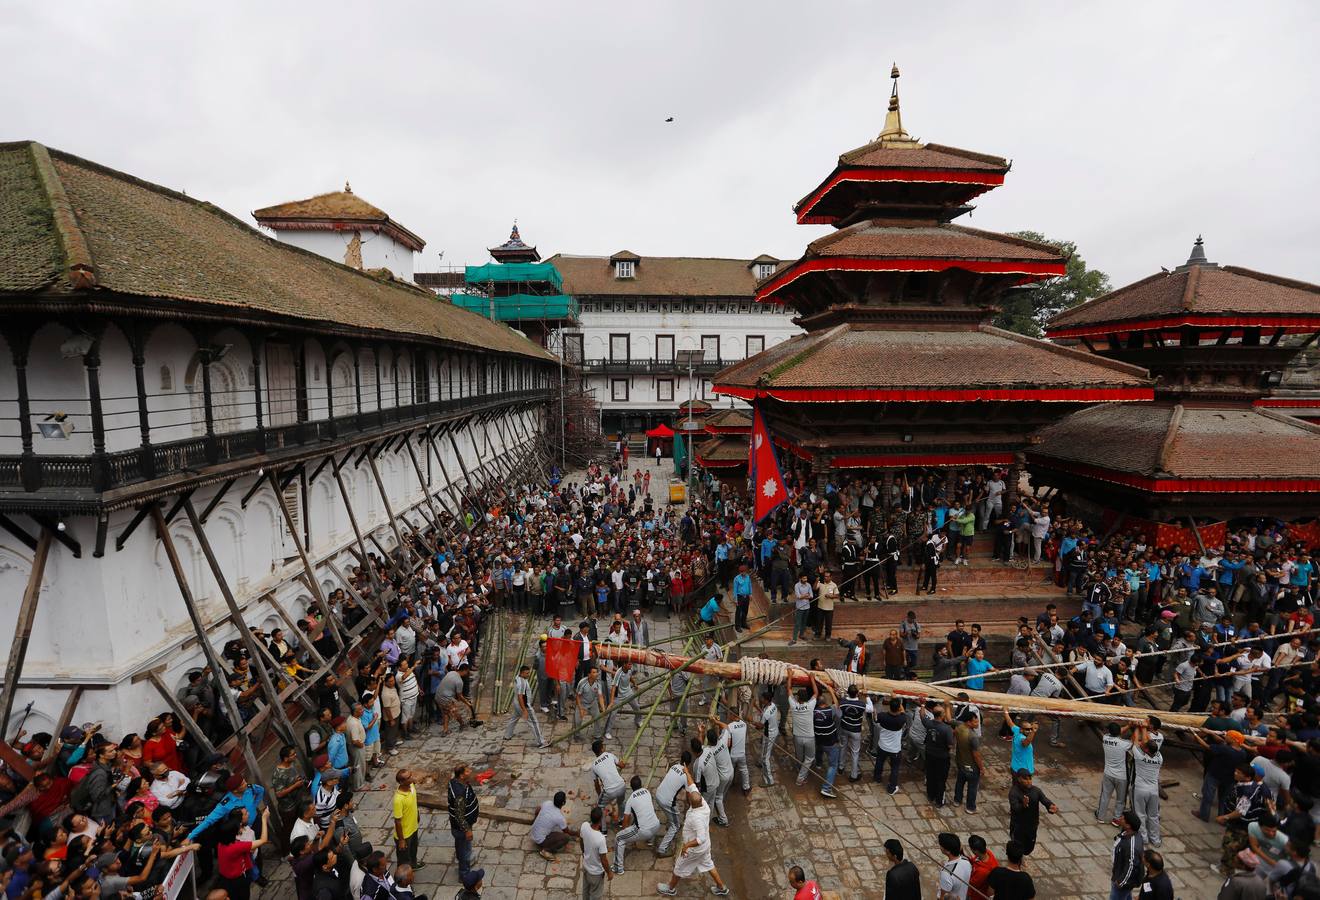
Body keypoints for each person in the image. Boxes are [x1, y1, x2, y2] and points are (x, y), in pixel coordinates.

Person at [656, 772, 730, 896]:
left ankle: (670, 889)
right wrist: (686, 771)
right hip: (705, 847)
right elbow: (692, 785)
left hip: (696, 848)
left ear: (690, 801)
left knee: (679, 867)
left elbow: (700, 839)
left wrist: (687, 846)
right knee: (708, 864)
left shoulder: (696, 818)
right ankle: (721, 887)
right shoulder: (703, 804)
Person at [217, 807, 271, 900]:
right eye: (238, 827)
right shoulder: (236, 846)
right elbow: (263, 840)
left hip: (227, 878)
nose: (240, 828)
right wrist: (264, 819)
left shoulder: (222, 843)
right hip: (237, 880)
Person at [613, 775, 661, 874]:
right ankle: (650, 841)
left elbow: (626, 820)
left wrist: (625, 832)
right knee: (643, 817)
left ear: (631, 787)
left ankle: (618, 868)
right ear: (641, 784)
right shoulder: (647, 791)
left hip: (644, 831)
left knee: (619, 838)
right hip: (656, 825)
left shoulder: (630, 800)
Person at [1007, 769, 1058, 856]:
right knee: (1017, 845)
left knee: (1029, 848)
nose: (1029, 781)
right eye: (1026, 779)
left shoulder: (1036, 791)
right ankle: (1017, 858)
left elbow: (1044, 800)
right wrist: (1023, 805)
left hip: (1032, 825)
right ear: (1019, 779)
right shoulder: (1014, 793)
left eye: (1030, 779)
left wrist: (1050, 806)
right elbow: (1015, 808)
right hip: (1018, 825)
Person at [447, 764, 480, 881]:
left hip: (459, 826)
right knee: (464, 851)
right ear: (461, 775)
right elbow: (460, 816)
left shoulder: (455, 782)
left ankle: (462, 859)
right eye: (467, 771)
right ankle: (464, 875)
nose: (470, 772)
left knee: (461, 846)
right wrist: (467, 830)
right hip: (462, 828)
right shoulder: (459, 794)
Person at [504, 664, 548, 749]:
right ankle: (541, 742)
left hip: (516, 703)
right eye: (527, 673)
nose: (529, 675)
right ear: (522, 673)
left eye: (529, 673)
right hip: (524, 705)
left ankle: (507, 735)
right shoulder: (522, 683)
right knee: (534, 723)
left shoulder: (517, 677)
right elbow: (521, 697)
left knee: (514, 719)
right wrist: (525, 710)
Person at [1097, 723, 1133, 826]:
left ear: (1109, 732)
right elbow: (1133, 742)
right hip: (1121, 776)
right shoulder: (1124, 743)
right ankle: (1116, 819)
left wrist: (1128, 725)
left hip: (1108, 773)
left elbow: (1118, 732)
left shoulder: (1105, 738)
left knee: (1105, 796)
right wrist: (1132, 727)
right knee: (1121, 799)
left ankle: (1101, 816)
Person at [589, 738, 629, 825]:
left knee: (600, 806)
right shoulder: (610, 755)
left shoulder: (594, 765)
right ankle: (621, 820)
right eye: (603, 746)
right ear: (602, 749)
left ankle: (603, 829)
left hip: (610, 791)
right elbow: (622, 766)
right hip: (622, 786)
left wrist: (600, 795)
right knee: (621, 802)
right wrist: (623, 763)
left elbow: (596, 785)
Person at [952, 710, 984, 813]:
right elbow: (976, 755)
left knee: (960, 782)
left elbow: (949, 721)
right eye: (975, 722)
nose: (977, 724)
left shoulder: (959, 726)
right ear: (968, 722)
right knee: (972, 788)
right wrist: (982, 768)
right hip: (971, 767)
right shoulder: (973, 737)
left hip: (960, 762)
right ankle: (970, 807)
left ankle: (957, 800)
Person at [925, 700, 955, 808]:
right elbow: (950, 745)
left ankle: (930, 795)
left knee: (930, 775)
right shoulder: (947, 729)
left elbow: (922, 715)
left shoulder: (928, 723)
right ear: (942, 715)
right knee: (941, 779)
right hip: (942, 757)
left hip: (929, 753)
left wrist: (923, 704)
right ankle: (939, 800)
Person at [392, 769, 424, 870]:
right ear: (401, 782)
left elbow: (414, 801)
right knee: (403, 859)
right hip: (405, 834)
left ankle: (413, 866)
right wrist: (401, 840)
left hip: (414, 827)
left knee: (413, 850)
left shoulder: (411, 786)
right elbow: (397, 821)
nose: (412, 778)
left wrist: (417, 814)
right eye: (408, 778)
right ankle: (403, 880)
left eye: (411, 775)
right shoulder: (398, 799)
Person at [530, 791, 574, 860]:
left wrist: (536, 820)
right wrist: (577, 833)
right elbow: (567, 831)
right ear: (564, 803)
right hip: (540, 840)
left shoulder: (547, 803)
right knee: (566, 837)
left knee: (556, 827)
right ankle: (546, 850)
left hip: (533, 832)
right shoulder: (559, 817)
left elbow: (537, 809)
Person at [1110, 810, 1144, 900]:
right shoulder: (1126, 832)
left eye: (1123, 818)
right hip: (1118, 871)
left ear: (1128, 825)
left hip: (1123, 881)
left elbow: (1131, 866)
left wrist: (1121, 882)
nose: (1120, 818)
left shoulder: (1132, 846)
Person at [580, 806, 612, 900]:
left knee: (585, 892)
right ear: (600, 821)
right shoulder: (600, 838)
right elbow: (604, 860)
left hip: (586, 867)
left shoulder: (584, 826)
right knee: (595, 896)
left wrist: (583, 852)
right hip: (596, 874)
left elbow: (581, 841)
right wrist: (609, 872)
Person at [936, 832, 971, 900]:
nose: (940, 847)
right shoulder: (966, 860)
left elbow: (943, 897)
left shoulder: (946, 873)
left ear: (947, 851)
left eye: (941, 845)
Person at [759, 689, 781, 787]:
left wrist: (751, 721)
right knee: (765, 752)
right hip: (774, 731)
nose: (761, 699)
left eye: (762, 698)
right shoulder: (773, 705)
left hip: (769, 735)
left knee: (765, 758)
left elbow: (760, 726)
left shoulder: (767, 712)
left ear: (766, 700)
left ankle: (769, 780)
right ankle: (761, 763)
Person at [789, 574, 814, 645]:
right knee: (797, 623)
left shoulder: (808, 585)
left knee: (804, 623)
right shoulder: (797, 585)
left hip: (807, 607)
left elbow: (811, 595)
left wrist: (804, 596)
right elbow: (798, 596)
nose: (805, 580)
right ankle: (794, 639)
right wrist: (806, 595)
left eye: (806, 578)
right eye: (804, 578)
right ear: (800, 579)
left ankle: (801, 635)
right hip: (799, 607)